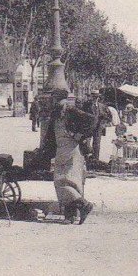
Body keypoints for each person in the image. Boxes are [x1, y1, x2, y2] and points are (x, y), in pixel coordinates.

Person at [45, 90, 95, 224]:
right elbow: (51, 135)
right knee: (70, 182)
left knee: (61, 181)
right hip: (63, 149)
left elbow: (91, 120)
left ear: (58, 99)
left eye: (54, 98)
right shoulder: (57, 112)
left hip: (71, 149)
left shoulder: (70, 110)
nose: (52, 101)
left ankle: (84, 205)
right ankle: (70, 215)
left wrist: (80, 134)